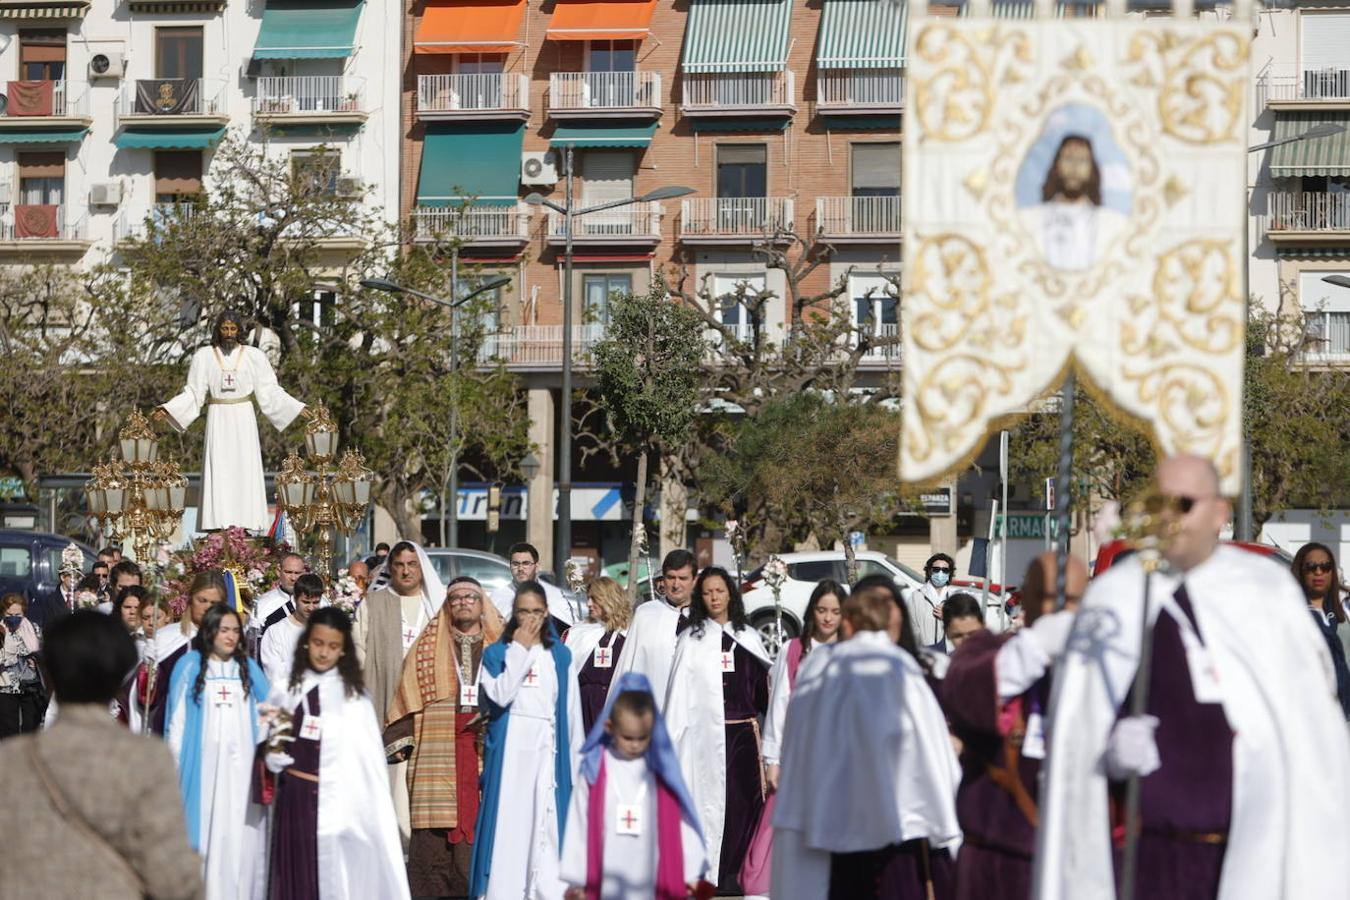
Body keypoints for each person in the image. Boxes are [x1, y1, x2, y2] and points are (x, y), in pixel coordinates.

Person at [1034, 455, 1350, 899]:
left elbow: (1311, 730)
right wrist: (1112, 749)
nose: (1168, 516)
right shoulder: (1118, 596)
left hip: (1256, 851)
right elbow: (1077, 729)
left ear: (1220, 513)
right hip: (1150, 856)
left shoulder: (1266, 593)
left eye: (1184, 503)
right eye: (1157, 502)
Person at [771, 577, 961, 900]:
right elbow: (937, 761)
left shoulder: (818, 668)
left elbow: (796, 742)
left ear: (847, 621)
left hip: (828, 828)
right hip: (898, 830)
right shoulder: (903, 670)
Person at [1, 610, 203, 899]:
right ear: (120, 678)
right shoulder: (145, 760)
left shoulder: (11, 760)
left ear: (50, 675)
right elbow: (173, 878)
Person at [941, 552, 1087, 900]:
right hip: (999, 859)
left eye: (1075, 600)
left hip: (1075, 859)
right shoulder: (989, 649)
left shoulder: (1097, 662)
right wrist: (1035, 648)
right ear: (1028, 599)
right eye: (1053, 598)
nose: (1064, 611)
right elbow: (964, 688)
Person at [264, 607, 411, 900]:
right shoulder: (286, 690)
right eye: (318, 643)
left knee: (335, 880)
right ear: (307, 642)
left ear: (343, 651)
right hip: (297, 800)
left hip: (341, 806)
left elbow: (367, 764)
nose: (323, 653)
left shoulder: (354, 699)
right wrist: (270, 754)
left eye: (332, 646)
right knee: (297, 875)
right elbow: (269, 738)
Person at [384, 576, 504, 898]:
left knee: (482, 822)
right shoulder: (427, 646)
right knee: (432, 832)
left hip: (485, 747)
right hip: (436, 747)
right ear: (447, 607)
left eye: (471, 597)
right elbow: (406, 693)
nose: (463, 602)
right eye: (456, 598)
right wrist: (400, 738)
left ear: (482, 605)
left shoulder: (501, 647)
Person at [470, 581, 583, 900]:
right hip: (510, 753)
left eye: (537, 612)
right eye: (524, 612)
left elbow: (571, 715)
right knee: (511, 822)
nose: (531, 619)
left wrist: (575, 770)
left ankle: (545, 890)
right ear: (513, 615)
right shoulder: (497, 654)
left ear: (546, 613)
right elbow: (499, 696)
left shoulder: (560, 656)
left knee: (546, 823)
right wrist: (518, 650)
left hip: (548, 749)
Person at [663, 566, 771, 892]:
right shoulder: (691, 640)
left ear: (730, 595)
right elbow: (678, 697)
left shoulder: (749, 638)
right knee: (708, 804)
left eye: (720, 591)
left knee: (745, 804)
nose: (714, 597)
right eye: (708, 592)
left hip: (744, 738)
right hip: (705, 739)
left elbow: (766, 693)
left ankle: (741, 875)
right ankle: (712, 872)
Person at [154, 309, 310, 533]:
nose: (228, 333)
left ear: (239, 331)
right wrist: (169, 409)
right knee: (219, 470)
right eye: (224, 328)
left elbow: (269, 390)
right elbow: (193, 392)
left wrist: (297, 406)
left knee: (244, 469)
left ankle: (245, 524)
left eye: (233, 329)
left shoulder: (254, 356)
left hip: (243, 417)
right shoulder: (204, 356)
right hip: (218, 416)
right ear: (218, 329)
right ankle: (218, 524)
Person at [561, 673, 709, 899]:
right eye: (628, 737)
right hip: (608, 865)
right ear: (609, 727)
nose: (636, 745)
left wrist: (690, 871)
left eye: (643, 737)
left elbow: (680, 820)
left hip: (650, 867)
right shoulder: (596, 766)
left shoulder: (661, 769)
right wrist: (578, 879)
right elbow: (580, 820)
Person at [746, 579, 845, 895]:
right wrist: (772, 759)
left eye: (835, 611)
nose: (828, 618)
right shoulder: (794, 650)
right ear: (812, 611)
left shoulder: (850, 651)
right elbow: (779, 707)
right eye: (821, 610)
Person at [166, 602, 271, 900]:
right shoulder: (188, 667)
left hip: (242, 770)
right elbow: (178, 721)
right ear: (210, 630)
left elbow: (268, 712)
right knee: (206, 833)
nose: (231, 636)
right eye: (224, 630)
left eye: (236, 631)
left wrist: (267, 748)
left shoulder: (248, 668)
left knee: (240, 835)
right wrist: (172, 767)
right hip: (203, 769)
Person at [352, 539, 445, 843]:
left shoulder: (438, 606)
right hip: (385, 702)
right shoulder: (373, 604)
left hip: (429, 709)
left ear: (421, 568)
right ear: (390, 568)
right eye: (399, 565)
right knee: (390, 781)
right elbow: (357, 651)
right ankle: (393, 844)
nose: (406, 571)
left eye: (412, 564)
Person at [1022, 133, 1126, 272]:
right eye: (1069, 158)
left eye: (1082, 160)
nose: (1074, 167)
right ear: (1056, 167)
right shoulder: (1028, 219)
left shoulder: (1113, 223)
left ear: (1092, 170)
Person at [609, 549, 698, 710]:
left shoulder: (705, 617)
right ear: (663, 579)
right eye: (671, 577)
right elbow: (628, 664)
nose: (676, 584)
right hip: (652, 712)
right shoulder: (646, 614)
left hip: (694, 711)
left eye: (683, 578)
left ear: (694, 580)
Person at [144, 571, 224, 735]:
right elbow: (146, 695)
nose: (207, 607)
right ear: (191, 599)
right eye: (202, 600)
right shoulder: (167, 638)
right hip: (170, 726)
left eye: (214, 603)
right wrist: (147, 673)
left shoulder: (228, 641)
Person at [564, 575, 632, 733]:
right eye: (588, 598)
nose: (588, 604)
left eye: (594, 599)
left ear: (609, 599)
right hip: (583, 707)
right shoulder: (579, 633)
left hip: (616, 707)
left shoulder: (629, 633)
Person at [1293, 542, 1350, 718]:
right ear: (1300, 571)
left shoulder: (1343, 607)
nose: (1319, 572)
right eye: (1311, 567)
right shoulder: (1289, 612)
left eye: (1325, 567)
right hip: (1309, 713)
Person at [489, 542, 577, 629]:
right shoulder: (497, 597)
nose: (520, 569)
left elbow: (570, 629)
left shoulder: (554, 595)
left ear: (537, 566)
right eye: (515, 564)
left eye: (526, 563)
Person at [259, 572, 324, 687]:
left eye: (315, 602)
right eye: (306, 602)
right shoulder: (275, 632)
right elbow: (273, 674)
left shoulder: (326, 631)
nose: (311, 607)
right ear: (295, 599)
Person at [0, 592, 44, 736]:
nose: (13, 618)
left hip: (30, 684)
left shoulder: (33, 628)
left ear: (24, 612)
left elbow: (41, 652)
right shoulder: (1, 631)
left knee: (31, 728)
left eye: (18, 615)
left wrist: (35, 659)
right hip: (6, 685)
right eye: (9, 614)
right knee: (8, 730)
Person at [251, 552, 308, 638]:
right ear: (278, 571)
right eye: (288, 572)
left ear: (304, 573)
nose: (293, 578)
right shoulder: (263, 604)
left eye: (297, 573)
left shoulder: (318, 602)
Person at [906, 553, 955, 647]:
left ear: (949, 574)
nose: (940, 573)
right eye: (936, 569)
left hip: (950, 653)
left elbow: (964, 626)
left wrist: (947, 617)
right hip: (924, 652)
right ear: (929, 571)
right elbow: (910, 628)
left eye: (945, 570)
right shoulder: (916, 596)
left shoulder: (955, 597)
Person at [926, 592, 985, 656]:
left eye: (972, 634)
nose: (966, 641)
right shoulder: (927, 658)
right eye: (958, 635)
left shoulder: (993, 659)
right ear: (946, 630)